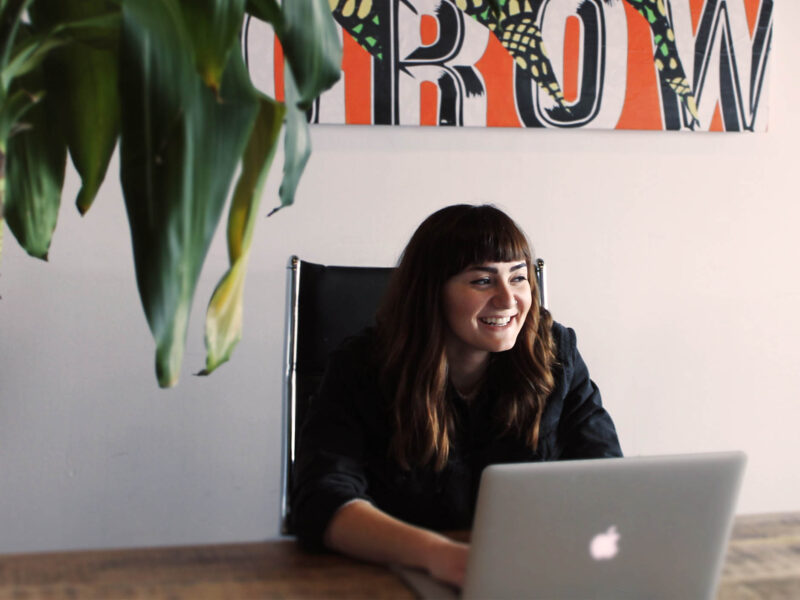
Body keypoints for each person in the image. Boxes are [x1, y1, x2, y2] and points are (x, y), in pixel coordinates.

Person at [291, 204, 622, 587]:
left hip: (531, 577)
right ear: (432, 293)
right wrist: (438, 555)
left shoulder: (555, 354)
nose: (508, 299)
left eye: (518, 278)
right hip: (395, 578)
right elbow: (321, 500)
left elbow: (608, 476)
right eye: (482, 281)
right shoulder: (361, 369)